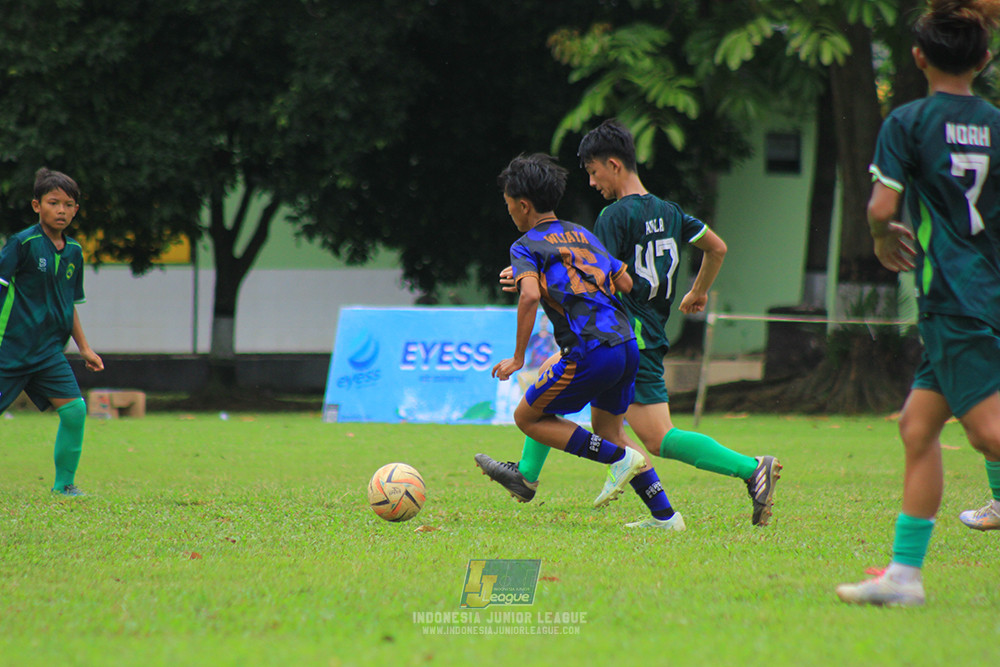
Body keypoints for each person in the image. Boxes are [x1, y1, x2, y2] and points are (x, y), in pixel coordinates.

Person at [476, 119, 781, 526]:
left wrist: (537, 279)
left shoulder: (612, 218)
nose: (592, 181)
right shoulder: (669, 212)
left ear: (614, 164)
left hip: (618, 333)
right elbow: (714, 248)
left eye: (593, 171)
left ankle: (747, 469)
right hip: (644, 335)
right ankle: (661, 514)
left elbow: (595, 283)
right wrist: (698, 291)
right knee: (604, 419)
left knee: (646, 437)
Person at [836, 0, 1000, 607]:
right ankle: (904, 577)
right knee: (917, 427)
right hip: (986, 289)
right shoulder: (997, 124)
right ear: (984, 59)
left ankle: (905, 577)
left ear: (917, 56)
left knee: (987, 433)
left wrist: (882, 239)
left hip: (952, 295)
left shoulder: (907, 121)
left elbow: (882, 207)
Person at [483, 153, 685, 532]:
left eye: (509, 204)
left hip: (591, 351)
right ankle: (666, 517)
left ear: (523, 205)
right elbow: (624, 283)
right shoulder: (583, 235)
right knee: (610, 428)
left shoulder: (526, 245)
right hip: (626, 344)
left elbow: (527, 298)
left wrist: (517, 357)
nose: (508, 210)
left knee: (527, 417)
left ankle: (618, 459)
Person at [0, 168, 104, 496]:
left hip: (48, 353)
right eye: (53, 202)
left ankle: (64, 486)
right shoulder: (22, 243)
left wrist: (84, 348)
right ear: (36, 206)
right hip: (10, 349)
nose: (61, 210)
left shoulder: (73, 251)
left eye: (68, 204)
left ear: (76, 210)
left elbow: (68, 302)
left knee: (74, 410)